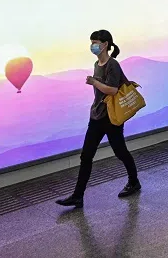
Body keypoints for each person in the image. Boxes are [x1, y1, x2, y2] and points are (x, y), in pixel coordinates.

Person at [56, 30, 140, 207]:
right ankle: (78, 195)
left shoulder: (113, 65)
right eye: (92, 42)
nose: (92, 46)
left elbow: (113, 90)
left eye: (96, 42)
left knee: (120, 152)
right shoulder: (97, 64)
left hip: (111, 118)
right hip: (96, 116)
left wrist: (94, 82)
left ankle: (134, 182)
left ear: (105, 44)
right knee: (86, 156)